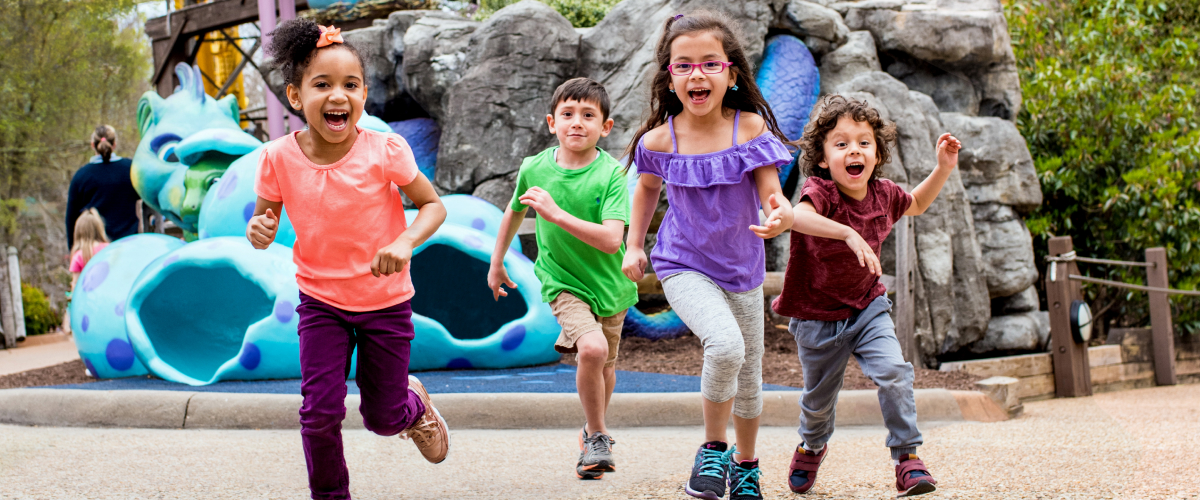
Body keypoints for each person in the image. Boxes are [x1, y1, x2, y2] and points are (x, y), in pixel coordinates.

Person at [246, 19, 450, 500]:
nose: (338, 95)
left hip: (385, 301)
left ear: (362, 95)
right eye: (323, 85)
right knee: (318, 414)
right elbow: (262, 223)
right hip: (320, 303)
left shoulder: (385, 150)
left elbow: (433, 205)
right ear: (296, 97)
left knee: (381, 419)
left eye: (350, 85)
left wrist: (404, 242)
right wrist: (259, 231)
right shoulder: (277, 157)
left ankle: (412, 406)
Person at [621, 12, 795, 500]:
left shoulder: (749, 128)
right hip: (682, 263)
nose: (697, 74)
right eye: (684, 65)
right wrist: (635, 245)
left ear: (731, 74)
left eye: (709, 63)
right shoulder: (658, 141)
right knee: (725, 346)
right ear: (670, 77)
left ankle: (746, 465)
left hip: (742, 268)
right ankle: (713, 450)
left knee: (750, 373)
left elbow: (769, 188)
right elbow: (646, 190)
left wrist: (779, 211)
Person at [773, 95, 961, 497]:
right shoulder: (820, 191)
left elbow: (918, 204)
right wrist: (844, 231)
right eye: (841, 144)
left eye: (863, 142)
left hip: (867, 308)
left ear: (877, 154)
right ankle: (812, 444)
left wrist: (942, 168)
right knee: (818, 402)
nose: (853, 150)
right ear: (823, 158)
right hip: (816, 315)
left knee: (894, 372)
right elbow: (796, 216)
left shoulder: (885, 194)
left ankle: (908, 459)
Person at [487, 77, 638, 480]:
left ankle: (591, 432)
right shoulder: (534, 167)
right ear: (551, 122)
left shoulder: (611, 175)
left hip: (610, 285)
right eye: (568, 114)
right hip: (562, 281)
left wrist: (554, 214)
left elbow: (611, 240)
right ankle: (600, 435)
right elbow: (514, 212)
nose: (577, 123)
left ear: (605, 127)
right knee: (590, 350)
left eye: (588, 115)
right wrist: (496, 261)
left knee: (605, 365)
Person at [65, 125, 141, 249]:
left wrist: (72, 249)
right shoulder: (131, 169)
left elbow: (71, 218)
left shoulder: (81, 176)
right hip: (129, 245)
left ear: (92, 145)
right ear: (114, 144)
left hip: (95, 250)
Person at [69, 208, 110, 290]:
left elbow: (76, 285)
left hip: (89, 300)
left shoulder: (78, 256)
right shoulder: (109, 249)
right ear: (99, 229)